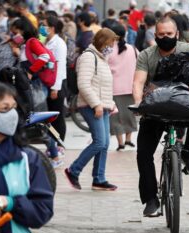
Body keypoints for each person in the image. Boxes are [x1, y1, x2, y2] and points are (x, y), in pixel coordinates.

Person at [133, 17, 189, 216]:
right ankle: (150, 199)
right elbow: (138, 82)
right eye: (161, 35)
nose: (165, 37)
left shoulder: (187, 50)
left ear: (177, 35)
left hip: (182, 105)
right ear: (155, 35)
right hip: (155, 107)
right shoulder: (146, 55)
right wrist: (139, 103)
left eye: (169, 34)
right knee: (143, 153)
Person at [0, 82, 53, 233]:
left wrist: (7, 202)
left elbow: (42, 211)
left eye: (14, 108)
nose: (12, 115)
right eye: (5, 109)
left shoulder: (28, 159)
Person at [64, 28, 118, 191]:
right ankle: (74, 170)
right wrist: (96, 104)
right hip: (91, 106)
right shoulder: (89, 57)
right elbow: (84, 84)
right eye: (111, 43)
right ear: (102, 42)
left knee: (105, 143)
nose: (113, 46)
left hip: (103, 106)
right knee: (99, 141)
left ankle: (99, 179)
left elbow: (102, 85)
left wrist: (110, 103)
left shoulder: (102, 58)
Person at [10, 17, 62, 168]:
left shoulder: (32, 42)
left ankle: (55, 155)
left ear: (23, 30)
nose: (14, 34)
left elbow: (44, 57)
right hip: (31, 85)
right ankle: (53, 153)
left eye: (16, 31)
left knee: (38, 120)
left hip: (36, 86)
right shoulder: (27, 44)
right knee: (35, 119)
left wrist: (30, 72)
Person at [108, 24, 138, 151]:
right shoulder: (132, 49)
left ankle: (120, 143)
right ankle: (128, 140)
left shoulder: (108, 50)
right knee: (129, 115)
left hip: (113, 88)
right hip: (129, 87)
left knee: (115, 117)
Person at [44, 15, 67, 153]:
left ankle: (59, 144)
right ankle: (52, 145)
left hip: (56, 85)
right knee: (49, 118)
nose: (41, 28)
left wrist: (55, 88)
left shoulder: (59, 44)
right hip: (48, 82)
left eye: (44, 25)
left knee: (57, 117)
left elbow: (60, 66)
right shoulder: (47, 42)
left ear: (52, 28)